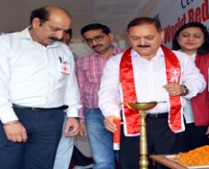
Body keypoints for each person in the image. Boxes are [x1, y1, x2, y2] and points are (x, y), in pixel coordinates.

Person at [98, 17, 206, 169]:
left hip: (169, 123)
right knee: (131, 165)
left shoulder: (180, 58)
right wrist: (111, 114)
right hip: (131, 122)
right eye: (135, 38)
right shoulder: (117, 61)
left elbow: (198, 82)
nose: (142, 42)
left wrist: (183, 89)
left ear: (161, 35)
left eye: (149, 37)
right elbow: (107, 92)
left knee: (172, 165)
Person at [0, 5, 80, 169]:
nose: (60, 36)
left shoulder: (63, 50)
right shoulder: (7, 43)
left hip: (52, 120)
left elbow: (70, 84)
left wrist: (73, 114)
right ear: (36, 23)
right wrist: (10, 121)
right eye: (55, 29)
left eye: (64, 31)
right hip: (15, 114)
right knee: (7, 163)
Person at [76, 23, 123, 169]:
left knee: (127, 158)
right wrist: (81, 120)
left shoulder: (127, 57)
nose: (94, 43)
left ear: (110, 36)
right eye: (89, 40)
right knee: (102, 160)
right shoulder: (82, 62)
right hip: (94, 113)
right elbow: (80, 91)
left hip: (124, 114)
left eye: (98, 37)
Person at [172, 22, 209, 152]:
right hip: (169, 121)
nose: (190, 39)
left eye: (196, 36)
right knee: (170, 160)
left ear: (204, 39)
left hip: (198, 121)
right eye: (186, 35)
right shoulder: (166, 58)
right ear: (178, 38)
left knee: (195, 160)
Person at [54, 28, 92, 169]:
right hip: (45, 110)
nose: (64, 43)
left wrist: (75, 114)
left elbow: (75, 86)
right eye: (60, 40)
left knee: (64, 145)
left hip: (67, 109)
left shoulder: (70, 56)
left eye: (67, 40)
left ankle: (82, 162)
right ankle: (83, 162)